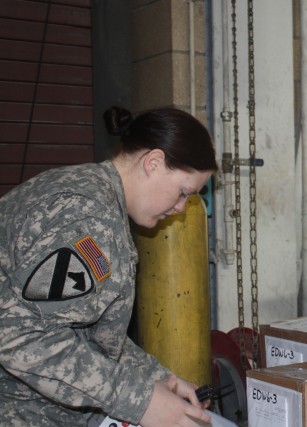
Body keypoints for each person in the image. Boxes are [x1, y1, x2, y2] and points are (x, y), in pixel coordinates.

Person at [0, 106, 218, 426]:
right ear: (153, 163)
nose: (181, 208)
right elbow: (23, 335)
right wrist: (141, 401)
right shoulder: (89, 216)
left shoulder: (91, 194)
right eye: (183, 192)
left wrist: (156, 377)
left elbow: (86, 331)